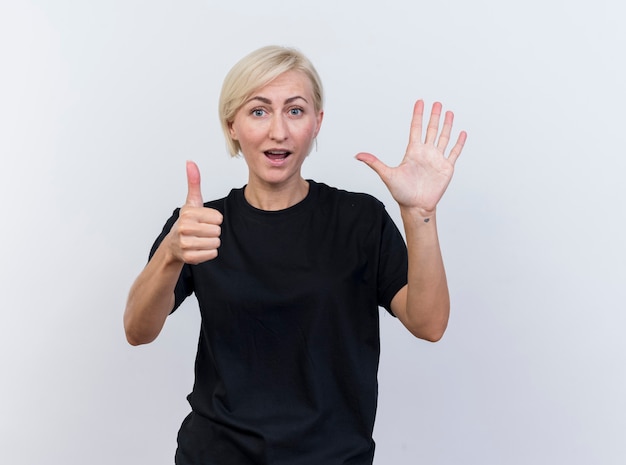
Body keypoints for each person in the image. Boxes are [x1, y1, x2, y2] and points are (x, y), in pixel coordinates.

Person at [124, 45, 466, 465]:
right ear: (232, 124)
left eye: (296, 111)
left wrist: (420, 214)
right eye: (259, 111)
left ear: (317, 123)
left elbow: (429, 323)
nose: (279, 132)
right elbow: (138, 330)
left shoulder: (359, 221)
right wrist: (171, 253)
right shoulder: (199, 224)